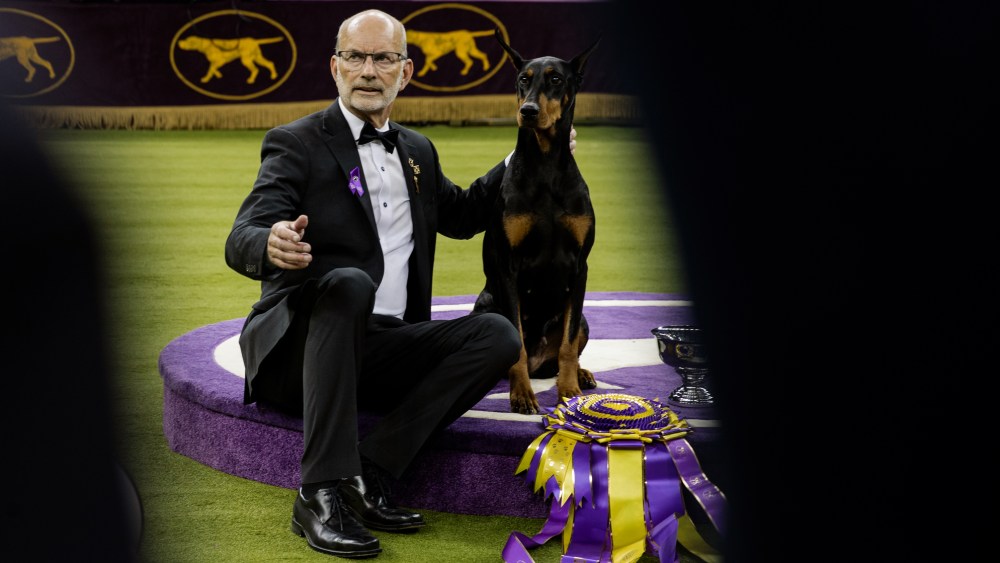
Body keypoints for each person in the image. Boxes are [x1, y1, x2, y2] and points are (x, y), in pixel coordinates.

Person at [225, 9, 575, 559]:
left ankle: (371, 474)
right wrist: (268, 243)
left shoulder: (417, 151)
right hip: (298, 355)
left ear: (405, 72)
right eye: (356, 58)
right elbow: (242, 233)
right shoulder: (295, 142)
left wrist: (520, 156)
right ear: (334, 68)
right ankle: (318, 493)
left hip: (384, 350)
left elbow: (461, 215)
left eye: (383, 58)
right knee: (349, 283)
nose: (369, 70)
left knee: (499, 336)